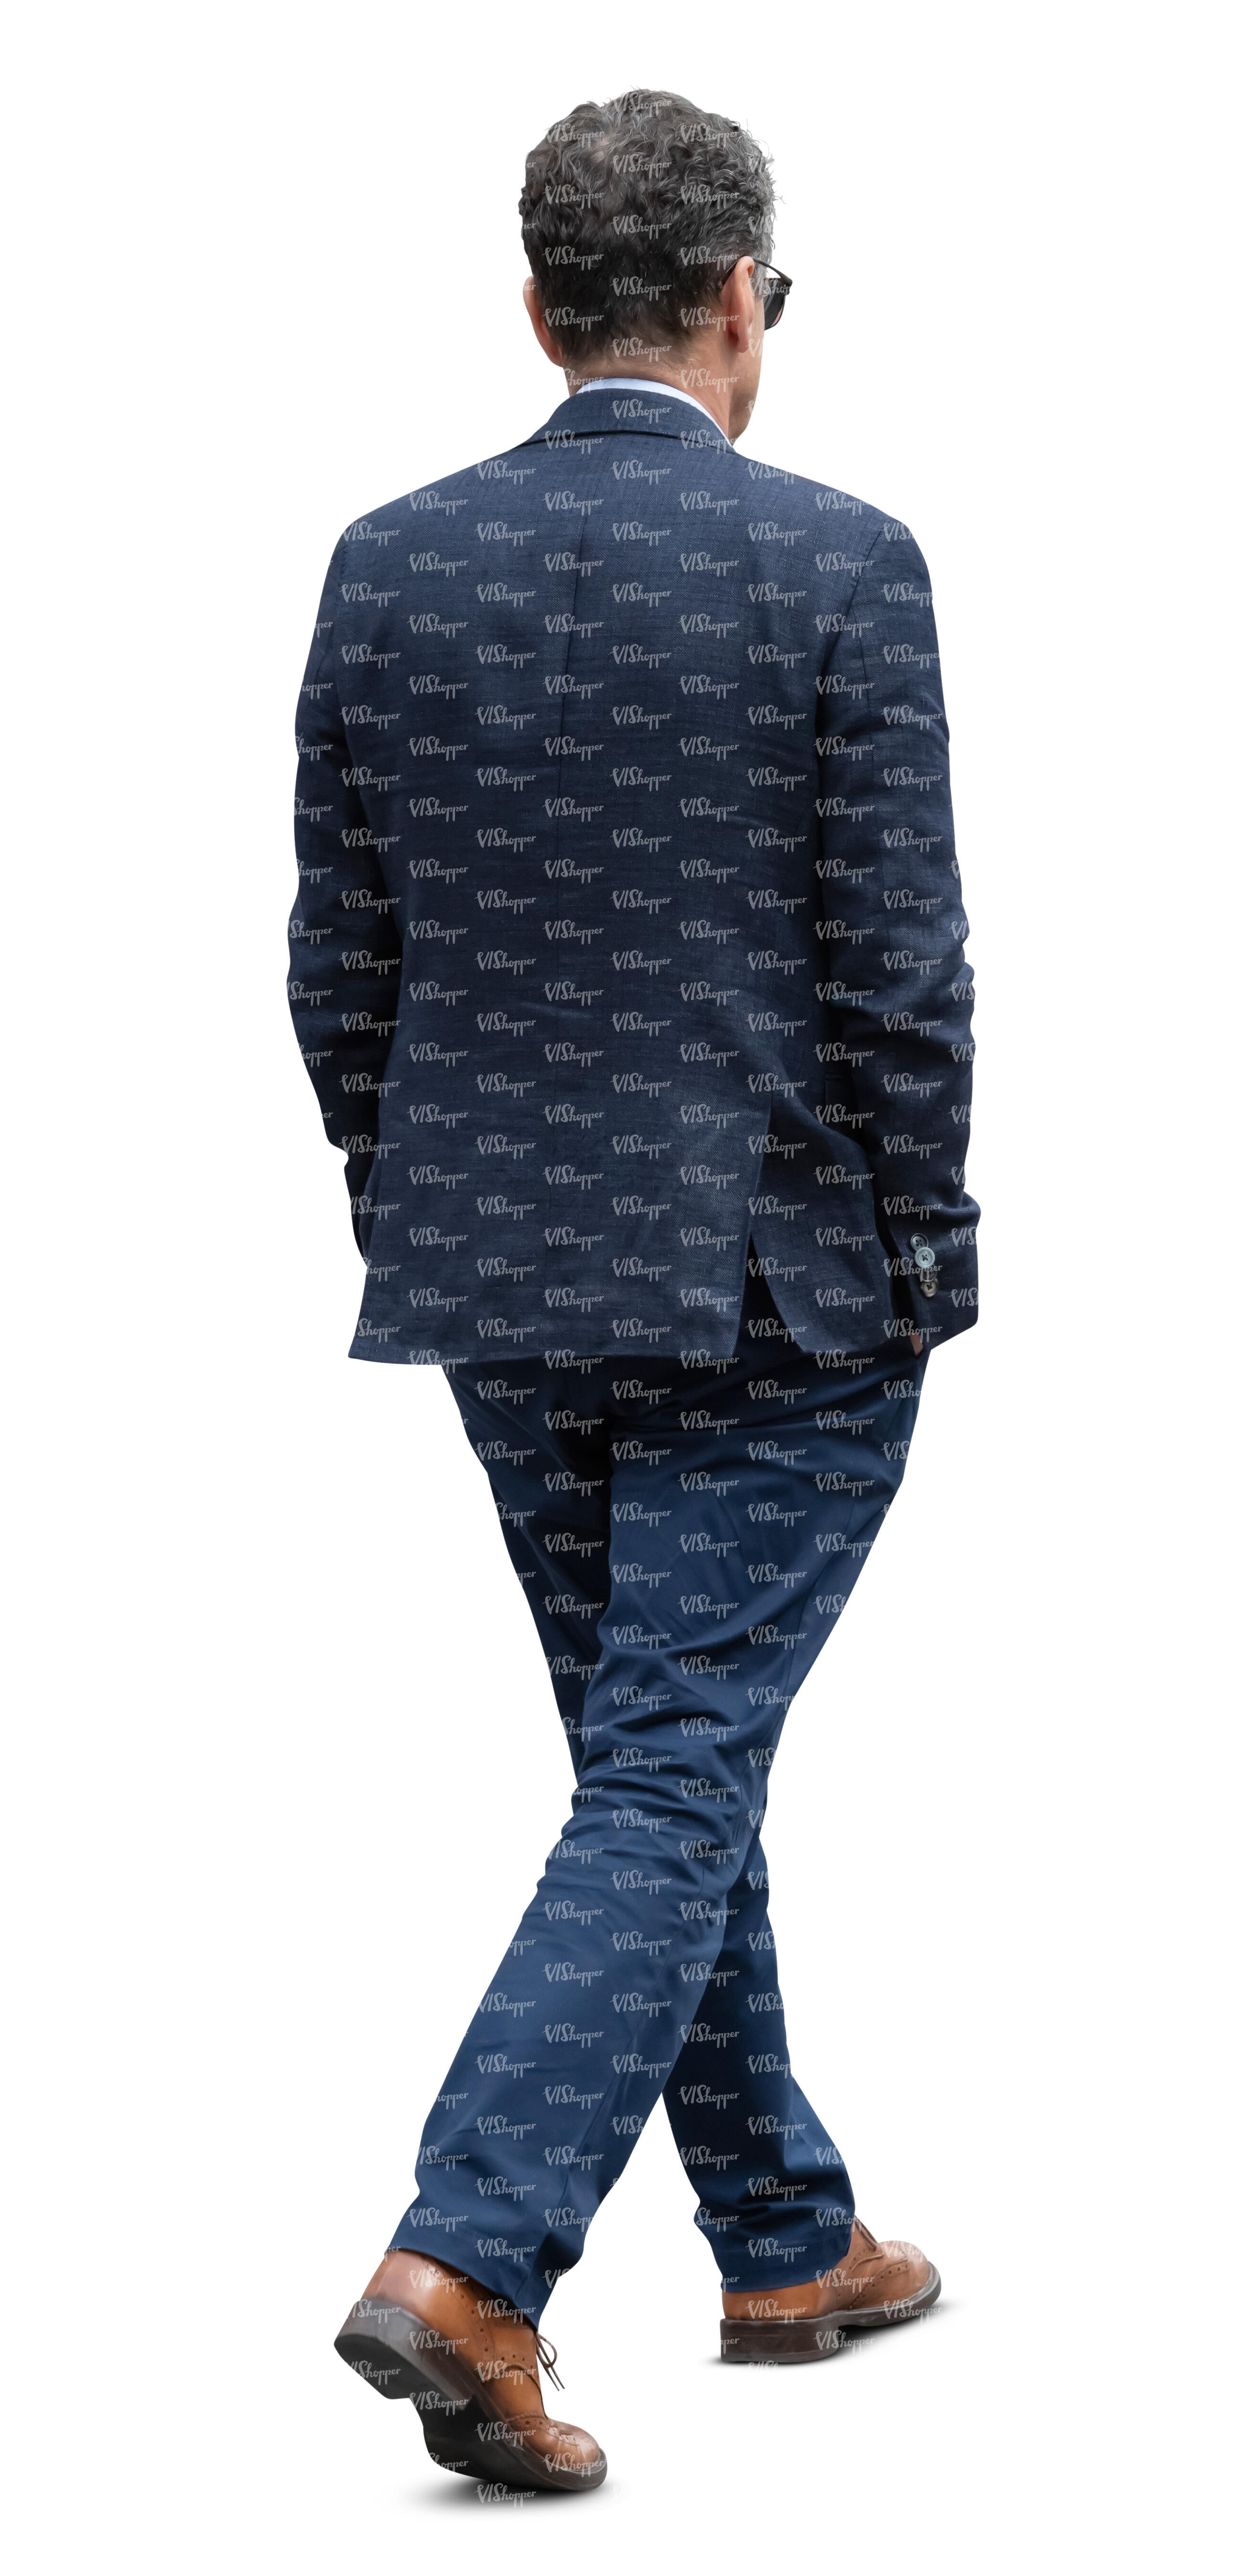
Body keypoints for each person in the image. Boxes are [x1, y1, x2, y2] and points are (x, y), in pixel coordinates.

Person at [289, 87, 979, 2496]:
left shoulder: (388, 566)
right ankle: (468, 2261)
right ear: (731, 303)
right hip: (774, 1284)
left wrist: (419, 1196)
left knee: (650, 1763)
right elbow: (902, 968)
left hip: (494, 1277)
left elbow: (336, 964)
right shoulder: (838, 563)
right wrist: (929, 1250)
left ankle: (783, 2236)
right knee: (675, 1769)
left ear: (533, 309)